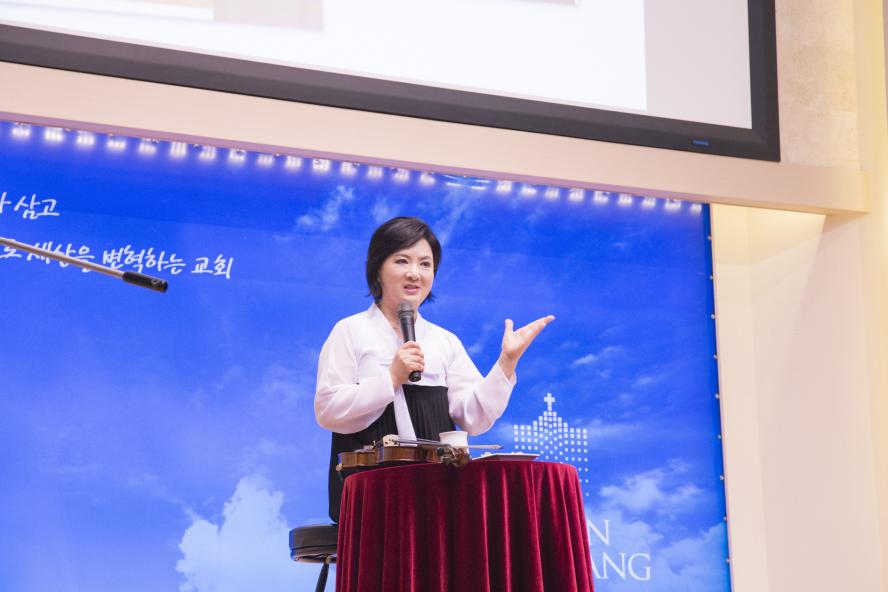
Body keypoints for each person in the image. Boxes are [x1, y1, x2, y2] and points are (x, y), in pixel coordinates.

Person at [314, 216, 554, 521]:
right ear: (377, 268)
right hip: (371, 498)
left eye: (425, 264)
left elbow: (474, 417)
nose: (414, 273)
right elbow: (328, 409)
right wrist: (391, 378)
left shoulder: (444, 341)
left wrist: (506, 362)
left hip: (437, 496)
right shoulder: (350, 331)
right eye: (402, 261)